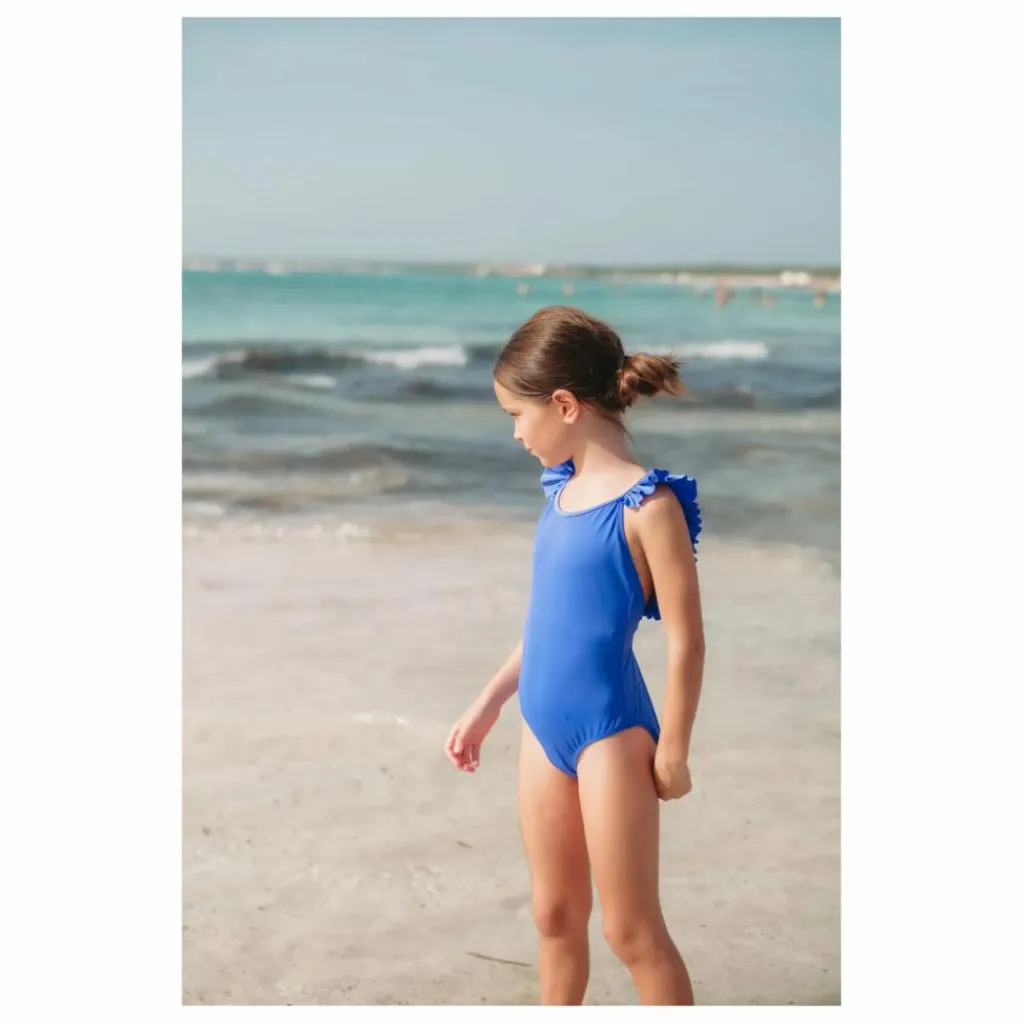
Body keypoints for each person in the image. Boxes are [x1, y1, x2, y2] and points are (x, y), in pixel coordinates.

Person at [445, 306, 706, 1006]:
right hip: (541, 728)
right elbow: (548, 626)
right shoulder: (559, 494)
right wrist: (488, 703)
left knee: (631, 931)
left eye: (517, 415)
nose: (515, 433)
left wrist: (674, 750)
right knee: (554, 915)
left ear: (563, 405)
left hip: (610, 734)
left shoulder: (649, 506)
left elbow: (686, 640)